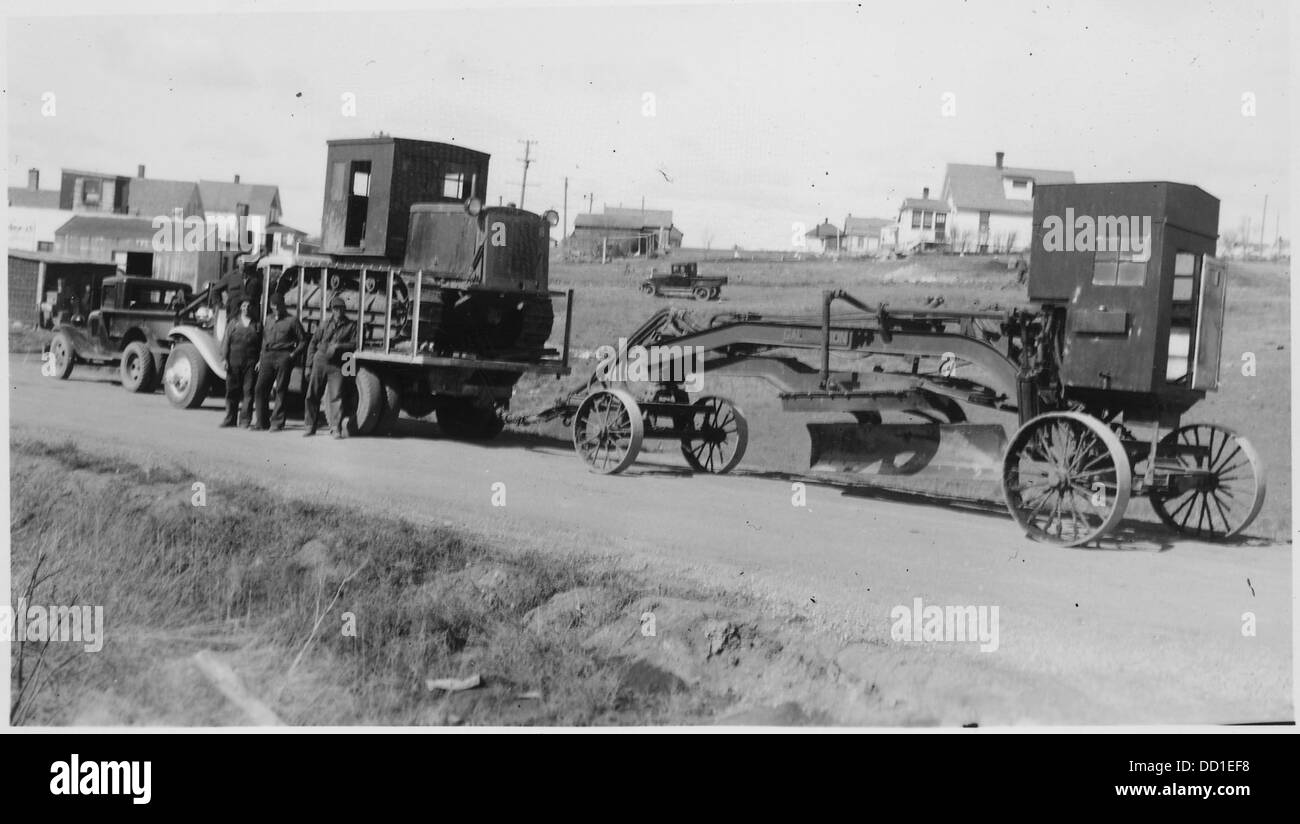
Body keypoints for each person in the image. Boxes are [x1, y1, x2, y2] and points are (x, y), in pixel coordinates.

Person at [303, 295, 358, 439]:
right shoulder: (324, 324)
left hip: (337, 364)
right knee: (312, 395)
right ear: (331, 310)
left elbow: (354, 345)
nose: (338, 311)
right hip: (320, 361)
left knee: (336, 396)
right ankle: (310, 426)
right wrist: (309, 365)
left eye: (340, 308)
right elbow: (313, 343)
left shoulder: (351, 326)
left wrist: (339, 346)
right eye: (335, 308)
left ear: (344, 309)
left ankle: (335, 428)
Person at [254, 293, 306, 431]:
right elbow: (264, 340)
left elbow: (303, 341)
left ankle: (277, 422)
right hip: (267, 356)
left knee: (281, 389)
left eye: (278, 307)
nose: (276, 310)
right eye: (273, 307)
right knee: (260, 388)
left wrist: (293, 355)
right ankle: (261, 422)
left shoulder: (292, 320)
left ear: (283, 305)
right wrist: (260, 358)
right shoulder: (269, 319)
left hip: (284, 356)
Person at [220, 297, 263, 428]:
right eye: (244, 306)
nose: (246, 308)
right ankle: (230, 419)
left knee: (248, 392)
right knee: (231, 391)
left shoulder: (257, 325)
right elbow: (225, 342)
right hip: (233, 362)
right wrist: (224, 359)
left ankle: (245, 420)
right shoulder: (233, 323)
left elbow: (263, 344)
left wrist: (260, 361)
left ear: (253, 308)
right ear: (240, 308)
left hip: (250, 364)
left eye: (249, 306)